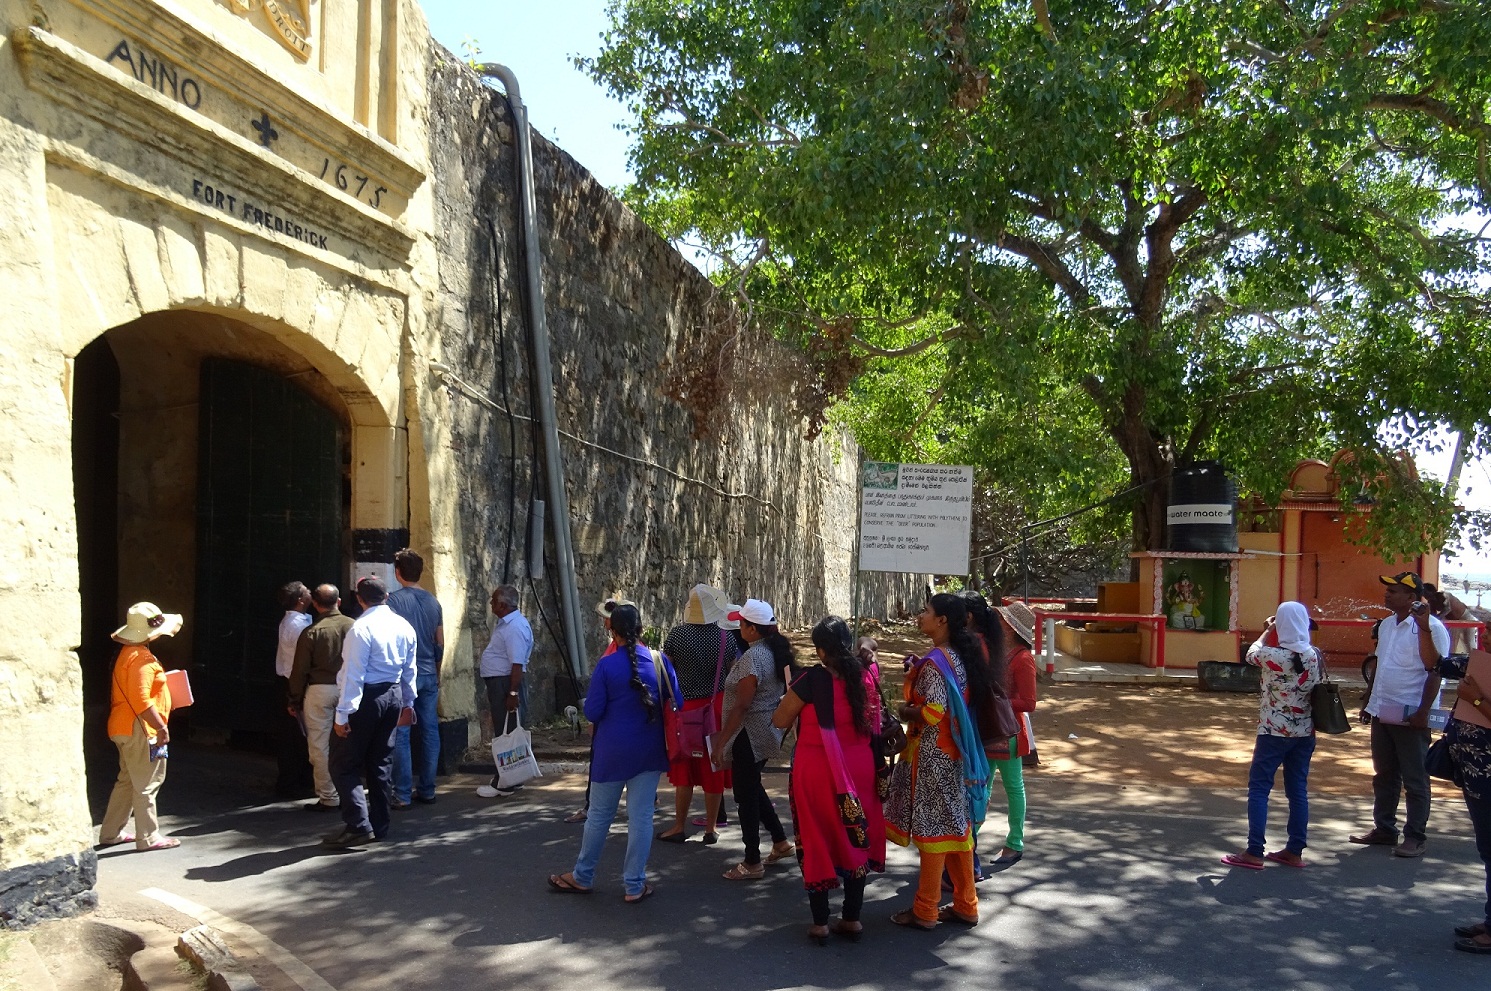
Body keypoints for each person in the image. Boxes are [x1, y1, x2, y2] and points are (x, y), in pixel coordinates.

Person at [548, 605, 679, 901]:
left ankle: (582, 876)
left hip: (611, 752)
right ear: (642, 629)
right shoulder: (659, 662)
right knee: (641, 817)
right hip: (648, 752)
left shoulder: (606, 666)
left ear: (613, 632)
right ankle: (634, 885)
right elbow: (677, 703)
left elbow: (593, 711)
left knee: (598, 816)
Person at [771, 616, 885, 944]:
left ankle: (820, 922)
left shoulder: (809, 680)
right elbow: (870, 644)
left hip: (818, 771)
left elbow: (780, 719)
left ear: (820, 650)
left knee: (816, 835)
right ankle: (851, 917)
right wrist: (863, 649)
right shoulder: (867, 674)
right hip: (861, 769)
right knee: (854, 834)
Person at [886, 593, 989, 930]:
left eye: (926, 612)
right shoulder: (957, 656)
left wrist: (904, 710)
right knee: (957, 831)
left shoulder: (935, 662)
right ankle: (965, 905)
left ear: (942, 620)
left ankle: (926, 909)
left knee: (932, 832)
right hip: (954, 754)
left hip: (932, 757)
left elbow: (932, 712)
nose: (920, 616)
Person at [1350, 571, 1450, 858]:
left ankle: (1415, 836)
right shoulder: (1386, 626)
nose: (1388, 594)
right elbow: (1379, 664)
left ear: (1411, 597)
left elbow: (1436, 672)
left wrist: (1423, 712)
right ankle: (1385, 829)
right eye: (1388, 590)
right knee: (1384, 775)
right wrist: (1370, 701)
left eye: (1394, 591)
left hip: (1411, 715)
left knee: (1415, 778)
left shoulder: (1431, 628)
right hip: (1383, 710)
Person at [1221, 602, 1324, 869]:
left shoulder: (1272, 656)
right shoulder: (1314, 656)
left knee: (1259, 789)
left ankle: (1254, 850)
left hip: (1272, 731)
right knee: (1297, 791)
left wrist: (1269, 630)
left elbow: (1251, 653)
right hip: (1304, 732)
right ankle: (1295, 849)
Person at [323, 576, 417, 848]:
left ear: (360, 599)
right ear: (387, 596)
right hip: (393, 695)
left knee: (343, 763)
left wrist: (342, 715)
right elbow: (410, 670)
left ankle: (358, 824)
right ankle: (379, 824)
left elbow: (354, 674)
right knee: (380, 762)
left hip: (367, 698)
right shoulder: (403, 626)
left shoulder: (361, 628)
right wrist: (408, 703)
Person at [711, 598, 793, 879]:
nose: (739, 626)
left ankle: (752, 861)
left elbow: (742, 705)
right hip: (765, 732)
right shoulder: (771, 651)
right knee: (752, 786)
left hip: (749, 734)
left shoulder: (753, 658)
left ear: (752, 629)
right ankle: (780, 842)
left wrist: (721, 741)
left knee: (744, 797)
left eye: (743, 623)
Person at [99, 602, 183, 851]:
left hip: (123, 726)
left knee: (127, 780)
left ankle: (111, 833)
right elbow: (141, 699)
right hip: (141, 728)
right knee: (148, 782)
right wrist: (161, 727)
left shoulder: (127, 655)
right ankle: (148, 836)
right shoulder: (142, 658)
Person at [657, 583, 738, 843]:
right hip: (715, 707)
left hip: (686, 709)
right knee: (713, 766)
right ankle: (711, 829)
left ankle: (679, 825)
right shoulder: (726, 637)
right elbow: (733, 672)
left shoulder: (677, 636)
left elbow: (666, 670)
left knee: (685, 769)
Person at [1435, 654, 1491, 954]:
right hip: (1474, 777)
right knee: (1487, 850)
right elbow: (1435, 663)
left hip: (1487, 777)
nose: (1488, 636)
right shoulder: (1478, 663)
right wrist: (1426, 626)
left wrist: (1477, 700)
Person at [288, 584, 355, 812]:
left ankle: (329, 795)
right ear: (339, 602)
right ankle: (351, 791)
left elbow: (300, 670)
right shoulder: (353, 626)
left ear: (315, 605)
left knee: (319, 745)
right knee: (349, 743)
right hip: (349, 687)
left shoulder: (311, 632)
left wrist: (294, 698)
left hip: (320, 689)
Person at [567, 594, 634, 823]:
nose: (605, 622)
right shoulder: (629, 651)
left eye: (609, 618)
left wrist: (594, 719)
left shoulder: (615, 655)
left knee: (601, 771)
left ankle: (591, 808)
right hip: (632, 725)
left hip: (611, 724)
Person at [388, 549, 444, 807]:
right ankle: (428, 788)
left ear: (397, 572)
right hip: (429, 672)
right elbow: (439, 641)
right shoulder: (434, 602)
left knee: (402, 733)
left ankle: (402, 793)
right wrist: (437, 669)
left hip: (404, 675)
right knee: (430, 730)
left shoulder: (394, 602)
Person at [991, 599, 1039, 867]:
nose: (996, 624)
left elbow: (1029, 703)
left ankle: (1015, 842)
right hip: (994, 728)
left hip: (1007, 731)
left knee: (1011, 786)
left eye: (1001, 620)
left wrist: (996, 703)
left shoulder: (1022, 659)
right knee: (982, 787)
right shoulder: (1005, 653)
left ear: (1010, 628)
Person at [477, 584, 534, 799]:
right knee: (506, 731)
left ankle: (503, 782)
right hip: (501, 682)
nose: (491, 604)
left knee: (505, 733)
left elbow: (517, 664)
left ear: (502, 604)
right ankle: (512, 777)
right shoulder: (507, 624)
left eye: (493, 601)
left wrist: (512, 693)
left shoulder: (514, 627)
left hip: (505, 683)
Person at [274, 581, 314, 798]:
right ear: (300, 600)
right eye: (307, 591)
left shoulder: (294, 621)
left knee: (296, 734)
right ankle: (291, 782)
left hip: (291, 680)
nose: (311, 593)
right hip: (293, 682)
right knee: (294, 736)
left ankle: (297, 778)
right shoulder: (297, 626)